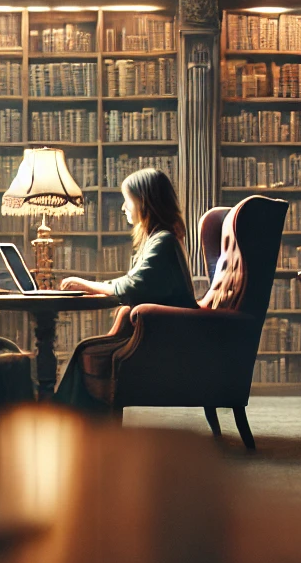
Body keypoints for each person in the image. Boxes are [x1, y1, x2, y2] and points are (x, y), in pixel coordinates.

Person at [54, 168, 197, 410]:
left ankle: (67, 420)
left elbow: (132, 286)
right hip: (164, 333)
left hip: (167, 340)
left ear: (144, 202)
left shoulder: (163, 241)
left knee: (86, 352)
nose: (123, 207)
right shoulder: (160, 239)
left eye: (127, 200)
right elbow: (135, 283)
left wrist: (87, 285)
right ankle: (67, 420)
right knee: (86, 350)